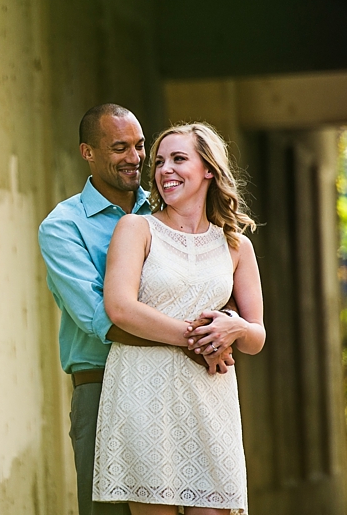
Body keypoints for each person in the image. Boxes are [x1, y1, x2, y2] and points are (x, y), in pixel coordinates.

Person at [38, 104, 234, 515]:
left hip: (186, 387)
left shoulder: (173, 203)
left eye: (140, 146)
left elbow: (214, 280)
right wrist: (196, 339)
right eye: (119, 147)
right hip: (103, 381)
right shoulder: (63, 226)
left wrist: (229, 324)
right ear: (87, 152)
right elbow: (103, 318)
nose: (135, 158)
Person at [93, 122, 266, 515]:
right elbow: (119, 307)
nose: (164, 169)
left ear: (208, 169)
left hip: (210, 398)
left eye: (178, 159)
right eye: (159, 162)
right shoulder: (137, 228)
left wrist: (234, 326)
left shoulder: (236, 245)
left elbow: (256, 338)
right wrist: (199, 340)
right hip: (143, 394)